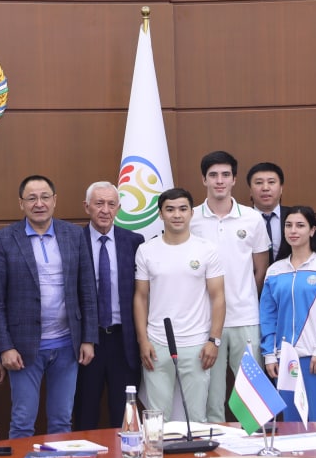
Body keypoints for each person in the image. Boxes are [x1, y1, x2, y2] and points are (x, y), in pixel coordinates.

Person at [0, 175, 98, 438]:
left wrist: (88, 339)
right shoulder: (4, 239)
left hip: (67, 345)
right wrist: (5, 347)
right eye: (32, 198)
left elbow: (87, 290)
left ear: (54, 200)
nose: (39, 203)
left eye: (45, 197)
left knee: (62, 421)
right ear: (21, 203)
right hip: (23, 348)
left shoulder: (73, 235)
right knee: (22, 422)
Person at [134, 188, 225, 423]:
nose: (177, 215)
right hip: (156, 344)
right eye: (170, 209)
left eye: (183, 209)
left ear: (191, 213)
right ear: (160, 214)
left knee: (197, 419)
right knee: (156, 420)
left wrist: (214, 340)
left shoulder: (206, 249)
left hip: (197, 344)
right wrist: (143, 341)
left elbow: (218, 297)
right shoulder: (146, 250)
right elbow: (140, 297)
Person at [193, 151, 269, 423]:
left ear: (234, 179)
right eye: (213, 175)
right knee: (211, 400)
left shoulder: (252, 218)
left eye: (225, 175)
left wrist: (243, 296)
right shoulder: (191, 218)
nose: (219, 181)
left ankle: (258, 444)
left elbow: (261, 269)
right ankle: (213, 447)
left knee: (253, 399)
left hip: (245, 319)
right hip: (205, 323)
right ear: (204, 179)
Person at [260, 206, 316, 422]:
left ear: (312, 230)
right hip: (285, 359)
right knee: (291, 424)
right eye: (288, 225)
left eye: (300, 225)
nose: (293, 230)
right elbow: (268, 317)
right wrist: (270, 354)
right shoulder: (275, 270)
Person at [74, 182, 145, 430]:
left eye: (111, 204)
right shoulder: (74, 240)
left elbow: (141, 292)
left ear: (119, 208)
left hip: (123, 341)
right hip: (87, 341)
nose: (105, 210)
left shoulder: (134, 241)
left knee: (124, 415)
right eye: (99, 203)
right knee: (85, 412)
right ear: (87, 207)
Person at [247, 162, 294, 265]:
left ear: (281, 188)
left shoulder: (295, 216)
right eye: (259, 183)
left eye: (271, 182)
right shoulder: (242, 219)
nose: (265, 188)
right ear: (250, 190)